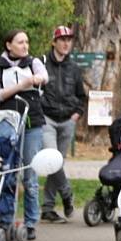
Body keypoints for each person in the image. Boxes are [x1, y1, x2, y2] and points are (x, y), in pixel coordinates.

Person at [0, 29, 49, 240]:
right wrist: (19, 86)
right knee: (9, 172)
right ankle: (6, 220)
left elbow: (44, 77)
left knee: (30, 174)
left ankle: (31, 222)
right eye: (20, 42)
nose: (25, 46)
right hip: (8, 124)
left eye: (27, 42)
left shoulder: (33, 62)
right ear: (8, 45)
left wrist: (35, 79)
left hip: (32, 121)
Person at [40, 25, 86, 224]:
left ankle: (48, 208)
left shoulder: (74, 68)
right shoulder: (41, 64)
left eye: (69, 40)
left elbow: (81, 96)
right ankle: (66, 194)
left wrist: (77, 114)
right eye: (62, 39)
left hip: (67, 120)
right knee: (52, 160)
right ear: (54, 42)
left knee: (57, 163)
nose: (66, 43)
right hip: (47, 119)